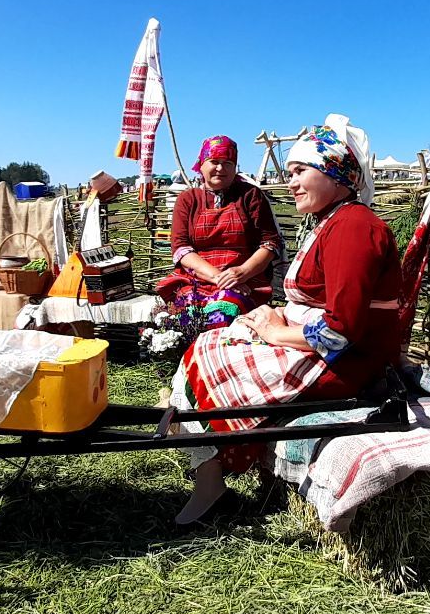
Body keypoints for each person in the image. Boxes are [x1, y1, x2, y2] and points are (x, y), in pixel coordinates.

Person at [170, 116, 402, 524]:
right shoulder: (334, 221)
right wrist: (274, 316)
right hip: (325, 348)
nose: (291, 182)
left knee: (207, 353)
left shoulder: (353, 228)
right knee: (213, 342)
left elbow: (340, 331)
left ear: (335, 173)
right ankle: (211, 470)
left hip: (344, 362)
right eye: (290, 173)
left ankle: (213, 475)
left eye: (300, 172)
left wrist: (276, 330)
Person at [155, 135, 283, 330]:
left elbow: (270, 243)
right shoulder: (188, 200)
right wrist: (219, 278)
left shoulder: (250, 196)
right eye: (214, 162)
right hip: (197, 278)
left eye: (228, 163)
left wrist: (242, 272)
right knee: (186, 319)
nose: (221, 169)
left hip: (246, 280)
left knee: (223, 313)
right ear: (201, 164)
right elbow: (181, 248)